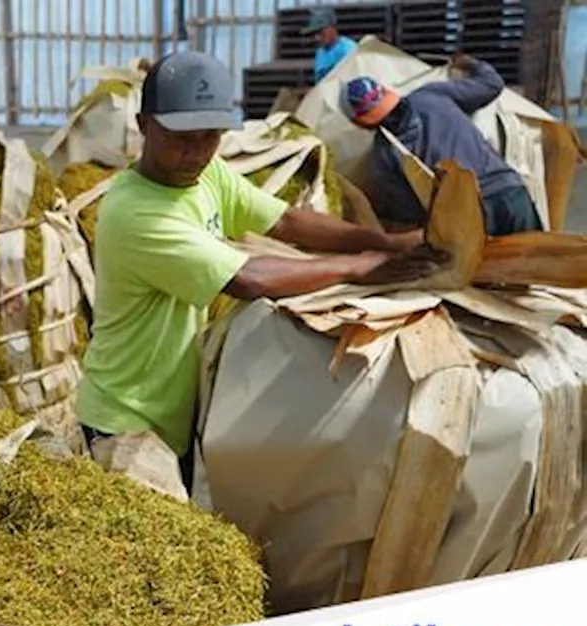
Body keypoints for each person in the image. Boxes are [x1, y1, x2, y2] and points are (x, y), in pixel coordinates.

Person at [76, 52, 446, 490]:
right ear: (144, 125)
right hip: (123, 423)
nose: (195, 152)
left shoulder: (206, 173)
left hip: (171, 415)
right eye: (181, 138)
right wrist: (359, 268)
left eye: (210, 136)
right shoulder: (135, 213)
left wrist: (382, 241)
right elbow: (247, 278)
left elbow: (286, 222)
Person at [342, 57, 541, 237]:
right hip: (510, 191)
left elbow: (409, 213)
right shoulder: (432, 95)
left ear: (360, 122)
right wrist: (471, 64)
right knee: (542, 266)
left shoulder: (384, 154)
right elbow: (492, 85)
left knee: (490, 274)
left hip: (469, 214)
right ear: (387, 92)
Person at [303, 8, 358, 83]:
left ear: (332, 28)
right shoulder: (320, 52)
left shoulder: (349, 48)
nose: (317, 38)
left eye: (320, 32)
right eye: (314, 34)